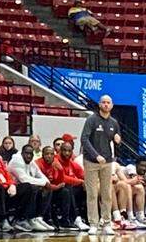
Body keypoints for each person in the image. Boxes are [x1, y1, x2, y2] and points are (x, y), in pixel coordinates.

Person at [81, 94, 122, 234]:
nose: (105, 104)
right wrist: (95, 155)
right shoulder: (91, 119)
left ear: (112, 105)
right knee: (92, 193)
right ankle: (93, 223)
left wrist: (118, 140)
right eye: (103, 102)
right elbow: (84, 139)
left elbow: (116, 141)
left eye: (108, 102)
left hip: (107, 162)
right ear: (99, 105)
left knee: (107, 194)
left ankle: (106, 223)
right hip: (91, 162)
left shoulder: (114, 123)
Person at [8, 144, 55, 231]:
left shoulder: (31, 161)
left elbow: (40, 174)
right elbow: (24, 179)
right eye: (26, 153)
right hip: (11, 191)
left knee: (47, 189)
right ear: (22, 153)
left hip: (24, 189)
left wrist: (47, 183)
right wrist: (44, 183)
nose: (29, 155)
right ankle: (24, 218)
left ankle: (38, 218)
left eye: (31, 154)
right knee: (31, 187)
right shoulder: (16, 161)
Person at [37, 144, 84, 230]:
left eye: (51, 154)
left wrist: (60, 170)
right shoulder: (38, 164)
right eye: (47, 154)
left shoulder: (55, 163)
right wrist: (56, 186)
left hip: (54, 189)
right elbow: (44, 182)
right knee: (49, 190)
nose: (49, 156)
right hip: (41, 190)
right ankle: (44, 218)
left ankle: (65, 220)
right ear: (42, 155)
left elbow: (61, 180)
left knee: (66, 191)